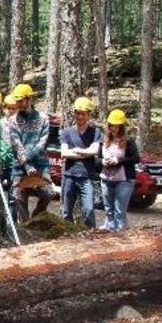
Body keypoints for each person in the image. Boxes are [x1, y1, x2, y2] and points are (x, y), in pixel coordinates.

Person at [7, 83, 52, 223]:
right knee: (19, 198)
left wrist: (31, 161)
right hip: (20, 168)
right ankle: (25, 227)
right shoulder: (12, 121)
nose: (19, 104)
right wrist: (26, 166)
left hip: (40, 165)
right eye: (17, 101)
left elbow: (42, 143)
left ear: (29, 99)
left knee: (48, 194)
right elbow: (17, 146)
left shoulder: (43, 119)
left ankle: (36, 219)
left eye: (21, 101)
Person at [59, 97, 102, 228]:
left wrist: (76, 151)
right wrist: (85, 152)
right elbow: (64, 153)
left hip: (86, 176)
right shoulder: (67, 132)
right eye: (77, 113)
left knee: (89, 210)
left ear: (89, 114)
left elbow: (94, 150)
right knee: (66, 212)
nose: (80, 116)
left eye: (83, 113)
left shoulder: (95, 132)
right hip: (69, 176)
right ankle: (67, 236)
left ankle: (91, 235)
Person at [99, 109, 140, 231]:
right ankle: (109, 229)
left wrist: (119, 161)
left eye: (116, 126)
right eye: (111, 126)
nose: (113, 129)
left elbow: (136, 158)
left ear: (121, 126)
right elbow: (96, 159)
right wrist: (102, 162)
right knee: (108, 209)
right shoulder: (104, 140)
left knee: (119, 211)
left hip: (124, 180)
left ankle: (121, 234)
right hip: (106, 179)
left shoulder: (129, 141)